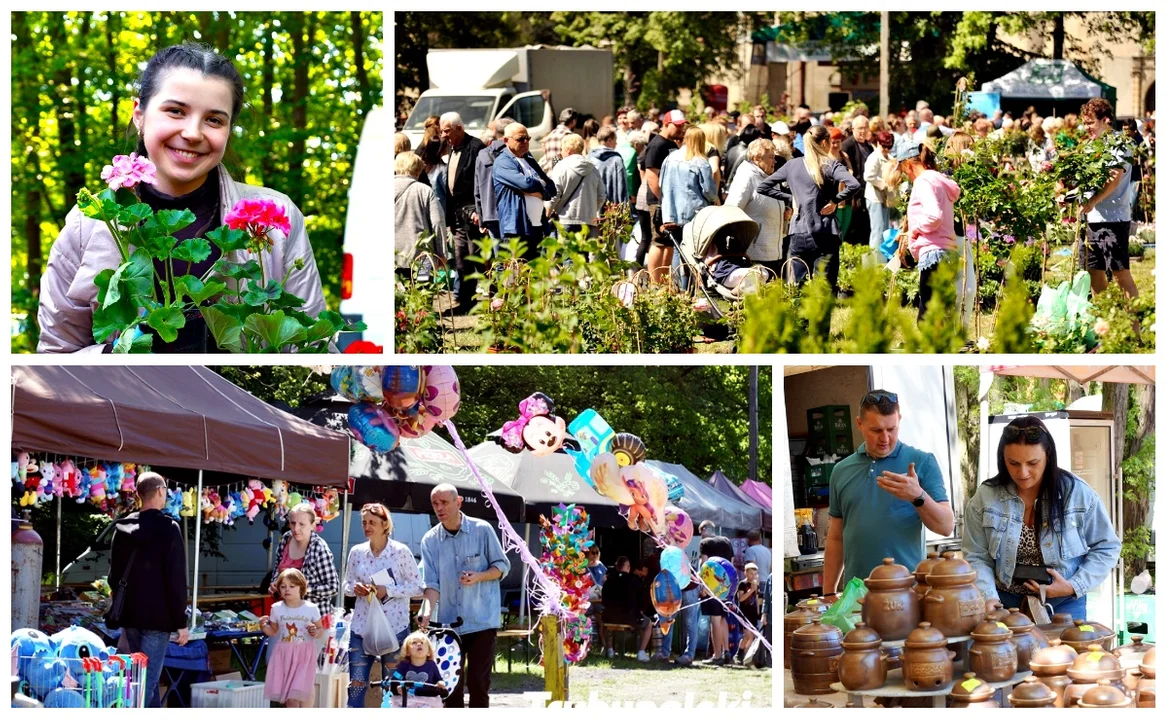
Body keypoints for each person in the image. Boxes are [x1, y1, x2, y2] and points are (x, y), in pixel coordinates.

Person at [38, 43, 326, 353]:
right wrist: (116, 355)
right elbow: (56, 356)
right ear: (139, 114)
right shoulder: (89, 222)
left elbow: (314, 347)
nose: (192, 133)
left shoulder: (273, 215)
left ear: (229, 130)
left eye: (214, 120)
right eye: (176, 111)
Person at [962, 416, 1121, 619]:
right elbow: (976, 555)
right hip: (1003, 603)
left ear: (1049, 456)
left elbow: (1107, 546)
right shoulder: (986, 497)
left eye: (1033, 463)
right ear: (1002, 459)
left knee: (1067, 651)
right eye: (1013, 463)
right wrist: (988, 597)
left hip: (1064, 602)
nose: (1023, 472)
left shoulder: (1076, 493)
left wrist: (1073, 586)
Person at [822, 391, 955, 601]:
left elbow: (946, 526)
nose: (885, 439)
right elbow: (837, 536)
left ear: (899, 420)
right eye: (876, 430)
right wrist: (829, 592)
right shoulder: (841, 470)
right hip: (856, 598)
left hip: (908, 596)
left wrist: (918, 496)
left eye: (891, 429)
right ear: (859, 424)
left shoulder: (922, 462)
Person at [418, 484, 511, 708]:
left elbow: (502, 566)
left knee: (479, 684)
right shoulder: (429, 540)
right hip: (448, 626)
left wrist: (479, 576)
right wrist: (426, 611)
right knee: (450, 688)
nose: (439, 508)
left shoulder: (482, 529)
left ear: (458, 502)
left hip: (481, 621)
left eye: (444, 502)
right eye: (435, 504)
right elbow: (431, 584)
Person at [109, 472, 189, 708]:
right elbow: (176, 579)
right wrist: (181, 622)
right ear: (160, 491)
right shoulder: (168, 528)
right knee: (145, 682)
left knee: (139, 679)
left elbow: (113, 575)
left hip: (130, 614)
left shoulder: (122, 527)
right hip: (158, 617)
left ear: (139, 494)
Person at [758, 125, 860, 290]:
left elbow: (763, 187)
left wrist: (791, 198)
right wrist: (835, 200)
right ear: (826, 142)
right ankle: (820, 316)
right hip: (826, 230)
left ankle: (800, 316)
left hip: (799, 231)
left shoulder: (792, 165)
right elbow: (854, 185)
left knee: (798, 288)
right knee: (824, 289)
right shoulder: (832, 165)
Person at [344, 503, 423, 708]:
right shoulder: (357, 552)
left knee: (393, 687)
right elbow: (345, 585)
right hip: (362, 628)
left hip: (394, 628)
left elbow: (418, 587)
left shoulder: (400, 552)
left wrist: (388, 590)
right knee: (356, 684)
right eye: (364, 522)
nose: (367, 526)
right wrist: (356, 588)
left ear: (385, 524)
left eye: (372, 522)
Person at [1076, 97, 1139, 297]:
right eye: (1084, 122)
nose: (1086, 127)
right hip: (1092, 219)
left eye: (1090, 122)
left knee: (1121, 274)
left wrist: (1093, 201)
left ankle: (1133, 328)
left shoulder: (1119, 143)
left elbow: (1114, 177)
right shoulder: (1090, 146)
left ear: (1105, 120)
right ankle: (1104, 323)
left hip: (1113, 219)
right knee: (1094, 272)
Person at [894, 140, 962, 321]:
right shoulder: (938, 179)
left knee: (927, 318)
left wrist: (914, 230)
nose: (905, 174)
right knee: (940, 315)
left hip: (934, 253)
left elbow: (934, 216)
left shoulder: (923, 182)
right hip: (947, 252)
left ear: (908, 164)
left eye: (902, 169)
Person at [439, 112, 487, 315]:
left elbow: (483, 183)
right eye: (442, 131)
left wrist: (479, 211)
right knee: (461, 261)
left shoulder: (476, 148)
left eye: (447, 131)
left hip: (473, 215)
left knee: (477, 259)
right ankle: (466, 303)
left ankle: (487, 301)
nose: (443, 135)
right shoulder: (452, 146)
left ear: (460, 128)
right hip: (457, 216)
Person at [660, 126, 720, 280]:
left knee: (677, 249)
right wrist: (715, 200)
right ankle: (690, 287)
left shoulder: (669, 158)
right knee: (694, 251)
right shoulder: (700, 162)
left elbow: (661, 183)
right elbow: (709, 191)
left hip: (671, 212)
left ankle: (678, 287)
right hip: (694, 213)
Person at [492, 122, 557, 262]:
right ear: (506, 141)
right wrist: (539, 184)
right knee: (516, 275)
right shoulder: (503, 162)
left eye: (528, 138)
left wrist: (540, 193)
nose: (525, 142)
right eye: (520, 139)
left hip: (536, 227)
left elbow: (552, 187)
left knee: (533, 275)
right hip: (516, 228)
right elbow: (525, 183)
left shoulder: (529, 158)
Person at [261, 568, 322, 708]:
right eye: (283, 586)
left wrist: (314, 631)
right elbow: (274, 631)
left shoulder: (311, 608)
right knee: (289, 694)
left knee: (303, 689)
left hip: (304, 654)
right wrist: (264, 627)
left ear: (302, 587)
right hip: (285, 654)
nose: (287, 589)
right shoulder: (276, 608)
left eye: (292, 586)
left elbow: (320, 629)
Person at [725, 138, 785, 278]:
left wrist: (783, 211)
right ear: (757, 158)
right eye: (770, 157)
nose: (774, 161)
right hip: (754, 253)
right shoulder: (746, 177)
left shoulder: (770, 177)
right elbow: (732, 210)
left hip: (773, 251)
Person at [636, 109, 687, 271]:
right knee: (658, 240)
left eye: (682, 126)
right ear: (666, 124)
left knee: (669, 241)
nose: (681, 129)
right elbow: (652, 177)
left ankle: (665, 282)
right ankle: (655, 282)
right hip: (658, 201)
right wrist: (663, 202)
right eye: (677, 126)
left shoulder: (672, 144)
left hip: (670, 201)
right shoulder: (656, 145)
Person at [268, 502, 339, 608]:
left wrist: (303, 589)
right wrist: (275, 583)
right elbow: (277, 569)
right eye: (293, 523)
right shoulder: (286, 539)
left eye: (302, 524)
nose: (296, 529)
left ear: (312, 525)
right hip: (286, 612)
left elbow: (333, 587)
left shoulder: (319, 548)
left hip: (313, 616)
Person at [395, 152, 447, 275]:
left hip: (392, 257)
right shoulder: (425, 191)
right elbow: (437, 222)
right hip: (422, 257)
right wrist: (442, 254)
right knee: (422, 292)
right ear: (418, 170)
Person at [548, 133, 606, 238]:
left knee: (567, 253)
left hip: (565, 219)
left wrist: (547, 213)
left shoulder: (561, 166)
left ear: (568, 150)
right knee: (584, 254)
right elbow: (601, 195)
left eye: (562, 149)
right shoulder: (593, 169)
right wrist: (591, 210)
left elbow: (555, 194)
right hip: (588, 221)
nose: (561, 153)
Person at [599, 556, 651, 662]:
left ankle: (609, 650)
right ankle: (641, 652)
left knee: (604, 622)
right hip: (629, 617)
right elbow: (641, 603)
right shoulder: (635, 581)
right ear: (628, 567)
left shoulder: (608, 581)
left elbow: (604, 601)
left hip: (610, 617)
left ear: (617, 567)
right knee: (649, 623)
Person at [697, 520, 734, 665]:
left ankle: (717, 655)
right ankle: (726, 652)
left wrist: (703, 586)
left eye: (701, 532)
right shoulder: (726, 541)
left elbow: (704, 565)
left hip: (712, 586)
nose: (701, 535)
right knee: (723, 618)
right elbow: (731, 563)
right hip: (726, 585)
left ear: (705, 530)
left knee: (715, 620)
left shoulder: (705, 543)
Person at [473, 116, 513, 241]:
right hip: (511, 214)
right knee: (516, 257)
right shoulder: (515, 153)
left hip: (490, 214)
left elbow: (477, 190)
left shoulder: (482, 155)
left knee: (499, 258)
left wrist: (481, 218)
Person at [863, 131, 900, 257]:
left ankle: (882, 259)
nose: (886, 149)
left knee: (884, 231)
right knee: (878, 231)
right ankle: (874, 262)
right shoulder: (874, 157)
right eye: (884, 146)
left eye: (889, 146)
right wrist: (884, 184)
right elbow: (868, 176)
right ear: (878, 143)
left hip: (885, 198)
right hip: (875, 198)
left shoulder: (889, 158)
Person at [387, 631, 447, 708]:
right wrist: (398, 687)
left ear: (429, 652)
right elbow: (395, 680)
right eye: (414, 643)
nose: (419, 644)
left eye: (422, 642)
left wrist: (441, 683)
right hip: (408, 698)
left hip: (427, 699)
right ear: (407, 652)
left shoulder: (431, 665)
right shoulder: (404, 665)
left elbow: (438, 679)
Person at [841, 115, 874, 245]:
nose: (863, 131)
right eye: (860, 128)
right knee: (852, 229)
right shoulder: (847, 146)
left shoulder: (869, 147)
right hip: (853, 194)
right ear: (853, 128)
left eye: (865, 128)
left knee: (865, 226)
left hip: (867, 192)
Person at [827, 127, 856, 241]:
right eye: (833, 142)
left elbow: (851, 174)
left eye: (838, 142)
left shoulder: (844, 156)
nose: (835, 145)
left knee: (844, 229)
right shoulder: (826, 159)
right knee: (835, 230)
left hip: (847, 197)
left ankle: (841, 254)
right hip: (834, 199)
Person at [588, 125, 629, 206]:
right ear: (609, 140)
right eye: (615, 140)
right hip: (610, 209)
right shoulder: (616, 160)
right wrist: (624, 210)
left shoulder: (589, 157)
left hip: (591, 206)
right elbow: (622, 187)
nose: (616, 143)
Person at [734, 563, 761, 664]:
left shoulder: (755, 585)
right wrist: (751, 590)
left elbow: (757, 598)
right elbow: (741, 599)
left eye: (755, 574)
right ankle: (739, 653)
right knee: (748, 635)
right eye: (751, 574)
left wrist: (758, 612)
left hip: (753, 613)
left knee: (751, 637)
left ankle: (743, 654)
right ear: (745, 573)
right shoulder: (742, 584)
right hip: (744, 613)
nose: (753, 576)